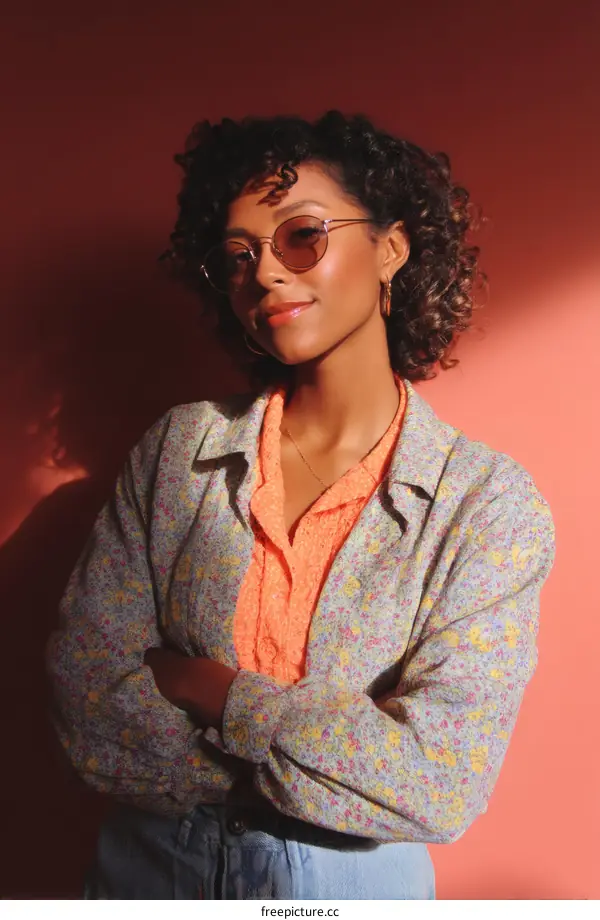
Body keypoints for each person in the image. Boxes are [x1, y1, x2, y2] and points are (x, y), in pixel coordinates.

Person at [46, 111, 555, 900]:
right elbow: (86, 705)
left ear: (390, 247)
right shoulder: (180, 452)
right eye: (239, 256)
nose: (267, 274)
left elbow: (439, 782)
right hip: (150, 877)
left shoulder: (484, 504)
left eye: (301, 237)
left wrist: (208, 687)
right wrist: (336, 761)